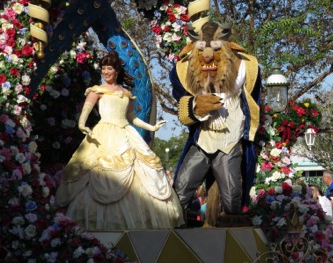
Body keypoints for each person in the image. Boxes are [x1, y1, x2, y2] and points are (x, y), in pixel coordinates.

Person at [56, 51, 184, 230]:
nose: (106, 72)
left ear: (117, 70)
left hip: (126, 133)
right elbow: (84, 113)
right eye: (103, 68)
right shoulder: (96, 90)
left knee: (140, 170)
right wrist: (82, 125)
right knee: (97, 170)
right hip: (104, 134)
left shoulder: (126, 93)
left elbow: (132, 118)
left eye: (109, 68)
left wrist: (152, 127)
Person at [170, 21, 261, 222]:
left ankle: (232, 239)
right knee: (181, 188)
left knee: (232, 197)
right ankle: (174, 231)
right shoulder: (186, 73)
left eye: (216, 49)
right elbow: (182, 106)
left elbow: (254, 101)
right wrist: (196, 106)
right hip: (202, 140)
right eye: (202, 50)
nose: (209, 55)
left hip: (230, 142)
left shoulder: (245, 69)